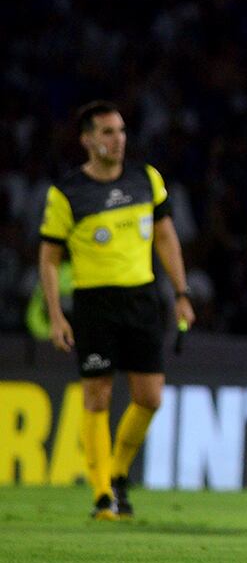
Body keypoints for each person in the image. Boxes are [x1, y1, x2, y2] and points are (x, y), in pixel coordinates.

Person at [38, 101, 195, 519]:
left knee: (150, 397)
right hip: (94, 304)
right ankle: (102, 493)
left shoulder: (146, 179)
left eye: (121, 131)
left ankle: (119, 472)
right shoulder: (68, 192)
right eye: (107, 132)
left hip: (142, 298)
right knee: (97, 395)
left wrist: (181, 292)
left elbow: (166, 237)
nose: (117, 139)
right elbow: (49, 258)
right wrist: (56, 314)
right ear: (87, 139)